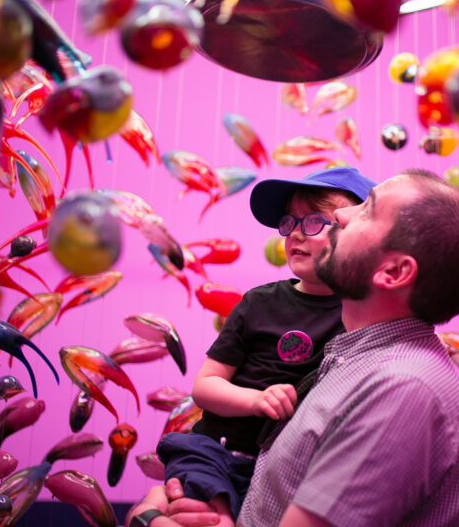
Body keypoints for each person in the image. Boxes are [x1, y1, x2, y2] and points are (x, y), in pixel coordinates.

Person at [128, 169, 459, 527]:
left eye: (367, 209)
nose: (341, 214)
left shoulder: (402, 389)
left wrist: (146, 519)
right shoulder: (350, 359)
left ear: (394, 272)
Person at [154, 167, 376, 524]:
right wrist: (255, 400)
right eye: (290, 222)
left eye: (315, 221)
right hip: (216, 452)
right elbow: (205, 387)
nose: (295, 234)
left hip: (286, 469)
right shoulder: (259, 303)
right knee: (209, 501)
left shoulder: (362, 316)